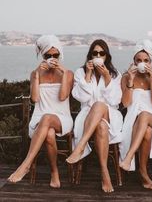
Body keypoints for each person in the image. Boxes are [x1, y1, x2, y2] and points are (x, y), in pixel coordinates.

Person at [8, 35, 74, 188]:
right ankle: (54, 173)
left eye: (55, 55)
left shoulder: (68, 73)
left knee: (47, 118)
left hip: (62, 118)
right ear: (43, 56)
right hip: (40, 117)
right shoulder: (35, 73)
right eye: (48, 56)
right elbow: (35, 99)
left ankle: (26, 164)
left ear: (60, 55)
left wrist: (63, 72)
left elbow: (63, 96)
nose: (52, 58)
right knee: (49, 132)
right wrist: (37, 75)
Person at [66, 39, 123, 193]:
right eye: (95, 53)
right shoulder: (81, 72)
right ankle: (105, 173)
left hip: (111, 114)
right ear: (90, 55)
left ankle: (80, 146)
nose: (98, 55)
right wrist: (89, 74)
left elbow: (115, 100)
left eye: (101, 53)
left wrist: (107, 78)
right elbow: (80, 98)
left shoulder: (115, 74)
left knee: (100, 105)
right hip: (87, 116)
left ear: (106, 56)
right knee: (101, 126)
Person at [119, 39, 152, 189]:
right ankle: (143, 171)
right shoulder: (126, 78)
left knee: (145, 115)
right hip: (133, 119)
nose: (142, 62)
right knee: (146, 131)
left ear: (150, 61)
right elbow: (126, 104)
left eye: (146, 60)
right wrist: (131, 80)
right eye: (138, 60)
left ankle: (129, 157)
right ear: (134, 61)